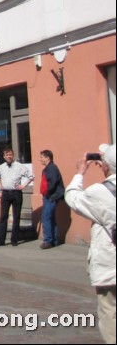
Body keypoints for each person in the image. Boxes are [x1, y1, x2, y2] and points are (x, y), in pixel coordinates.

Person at [65, 144, 116, 345]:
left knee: (110, 312)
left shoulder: (99, 192)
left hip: (111, 266)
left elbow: (72, 198)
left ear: (105, 166)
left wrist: (80, 173)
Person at [0, 148, 34, 247]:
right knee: (3, 217)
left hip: (16, 193)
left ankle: (14, 239)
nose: (9, 157)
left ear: (13, 155)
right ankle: (1, 240)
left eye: (10, 155)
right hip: (5, 194)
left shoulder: (19, 166)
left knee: (16, 217)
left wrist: (23, 186)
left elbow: (31, 176)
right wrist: (0, 185)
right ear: (4, 157)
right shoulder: (2, 167)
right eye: (7, 155)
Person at [38, 149, 65, 249]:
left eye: (41, 157)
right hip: (48, 196)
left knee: (46, 218)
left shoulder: (52, 168)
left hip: (51, 197)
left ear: (47, 158)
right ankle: (54, 240)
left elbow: (52, 183)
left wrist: (48, 194)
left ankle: (48, 241)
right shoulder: (48, 168)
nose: (40, 159)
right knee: (50, 218)